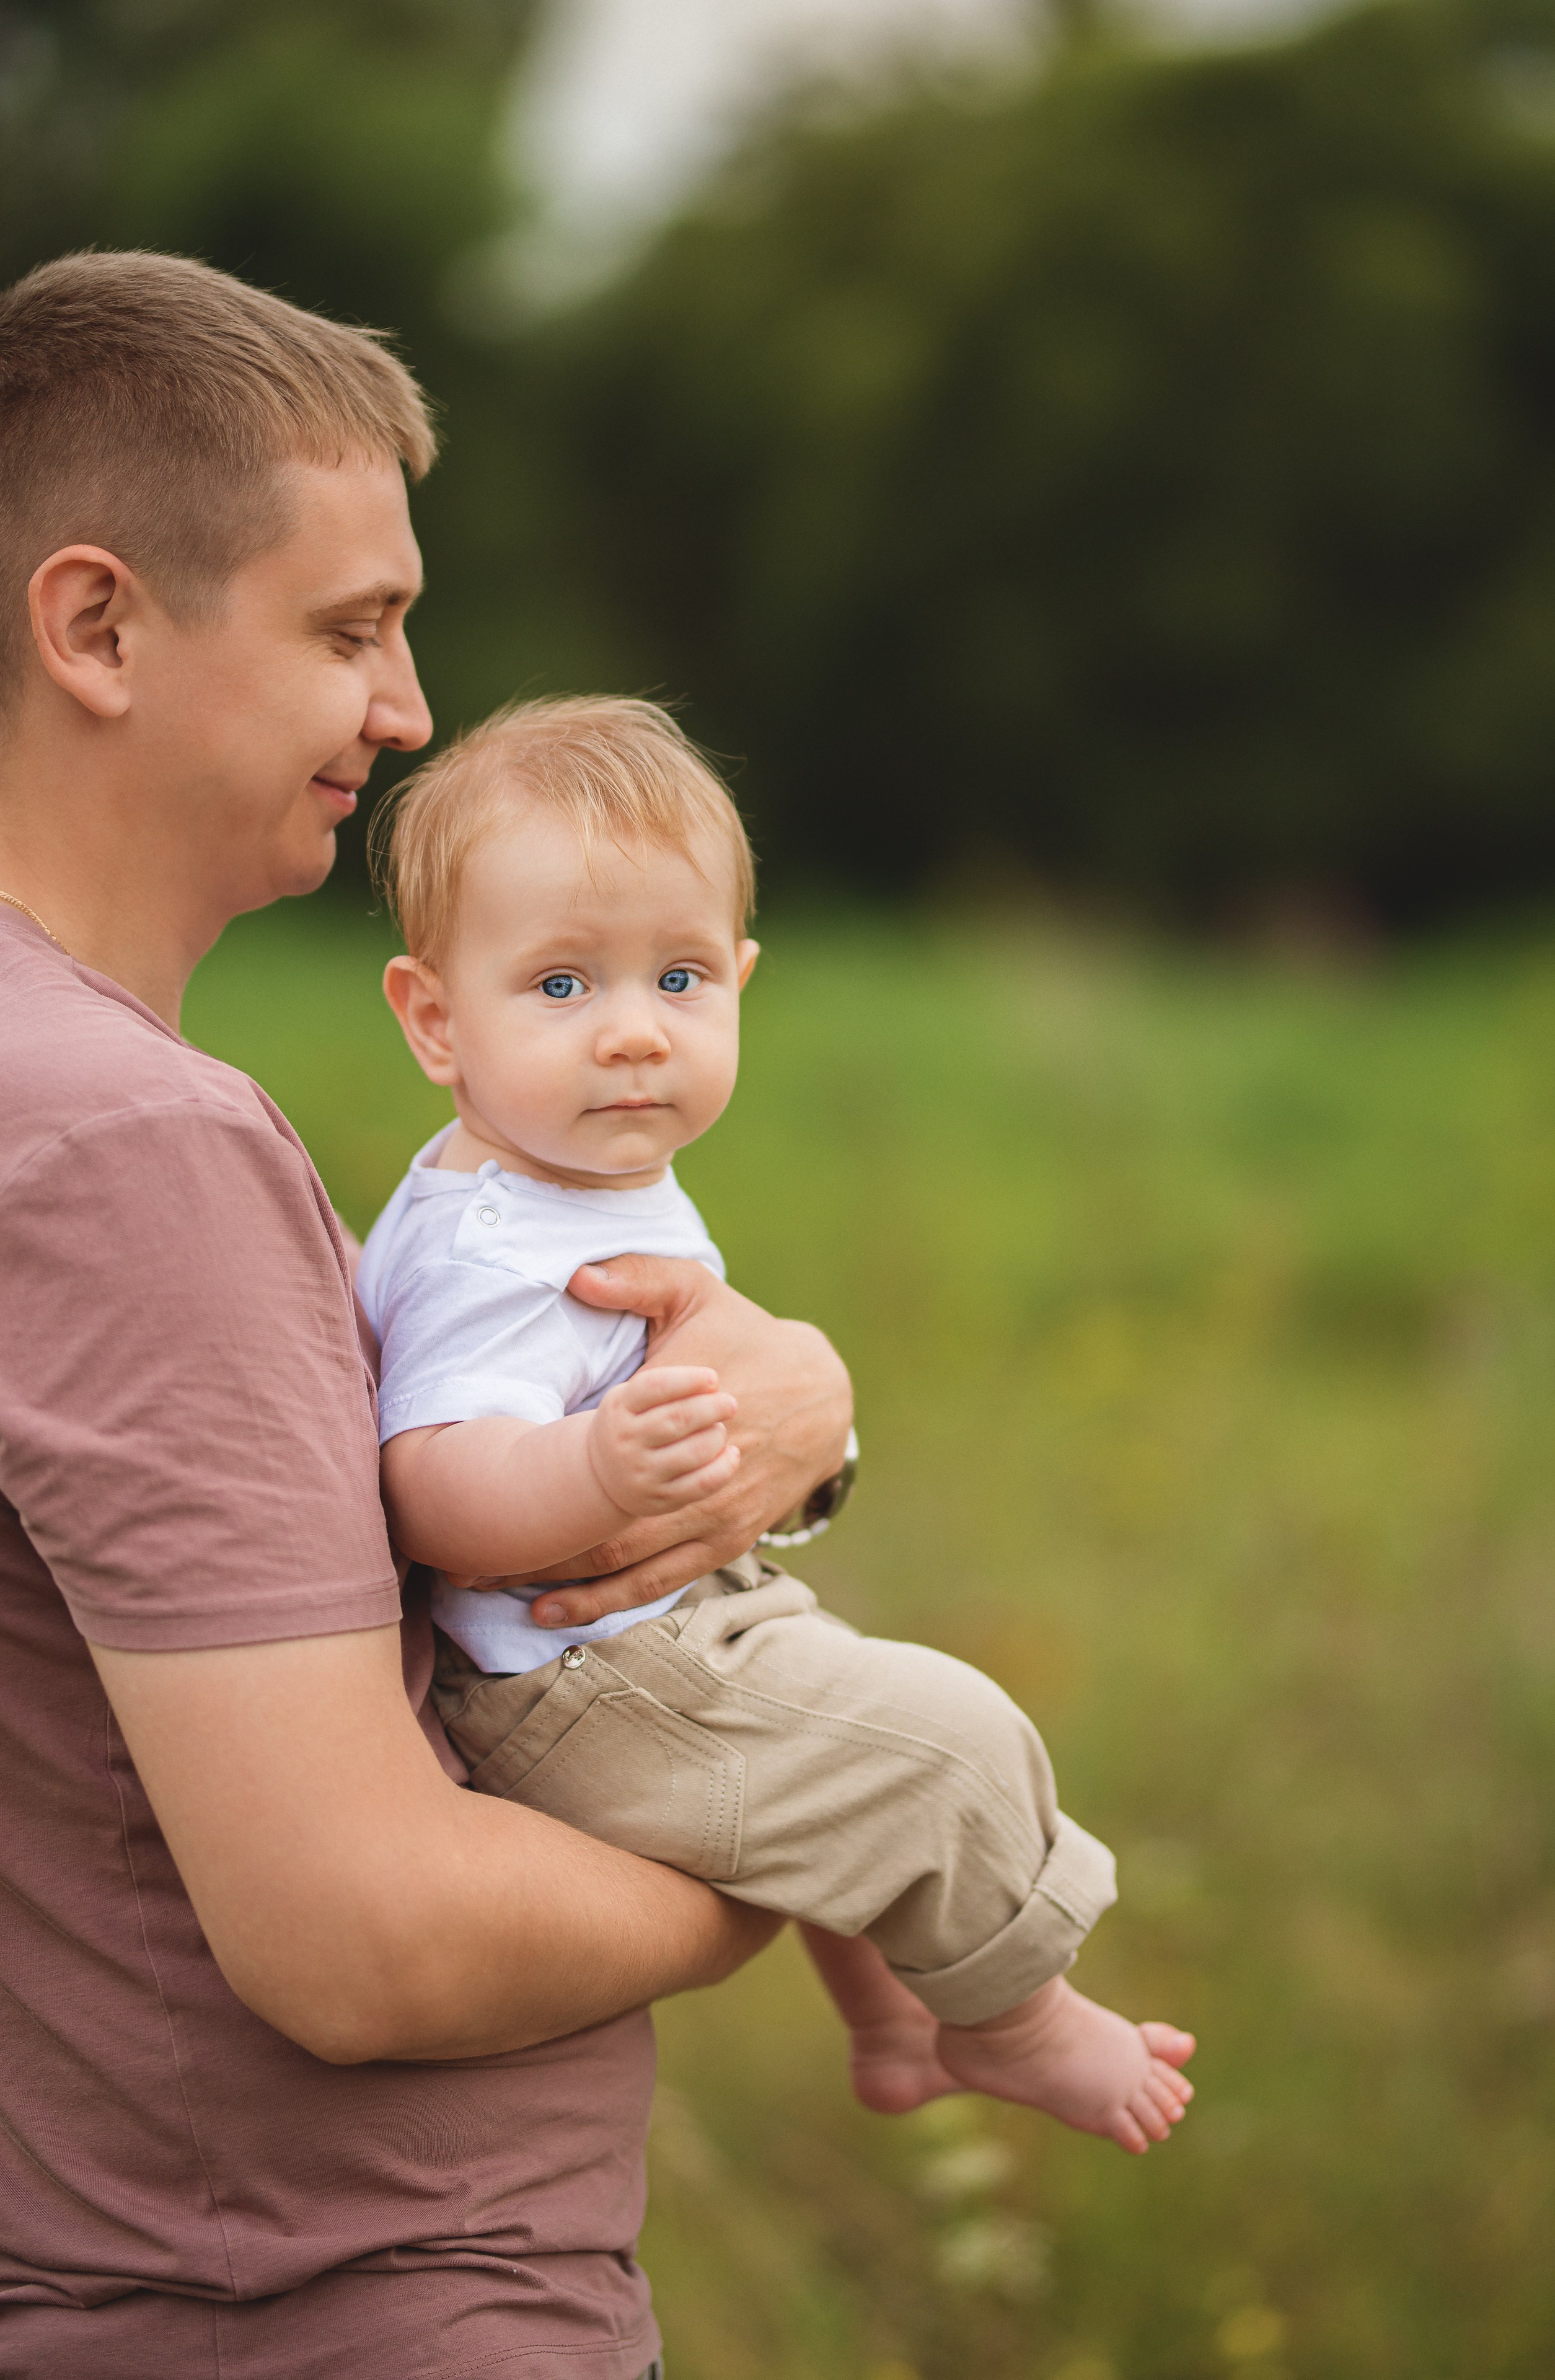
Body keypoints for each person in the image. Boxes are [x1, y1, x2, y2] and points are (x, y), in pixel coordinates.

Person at [0, 250, 852, 2380]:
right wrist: (853, 1842)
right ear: (96, 625)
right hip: (334, 2304)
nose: (406, 712)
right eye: (351, 629)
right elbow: (364, 1943)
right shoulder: (121, 1143)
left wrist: (810, 1412)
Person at [364, 694, 1197, 2148]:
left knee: (838, 1716)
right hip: (572, 1676)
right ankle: (1016, 2022)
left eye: (679, 978)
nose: (632, 1033)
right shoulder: (491, 1249)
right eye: (561, 987)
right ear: (435, 1019)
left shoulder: (567, 1168)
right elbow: (428, 1485)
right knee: (946, 1742)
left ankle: (891, 2026)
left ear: (741, 981)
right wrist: (591, 1465)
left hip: (653, 1631)